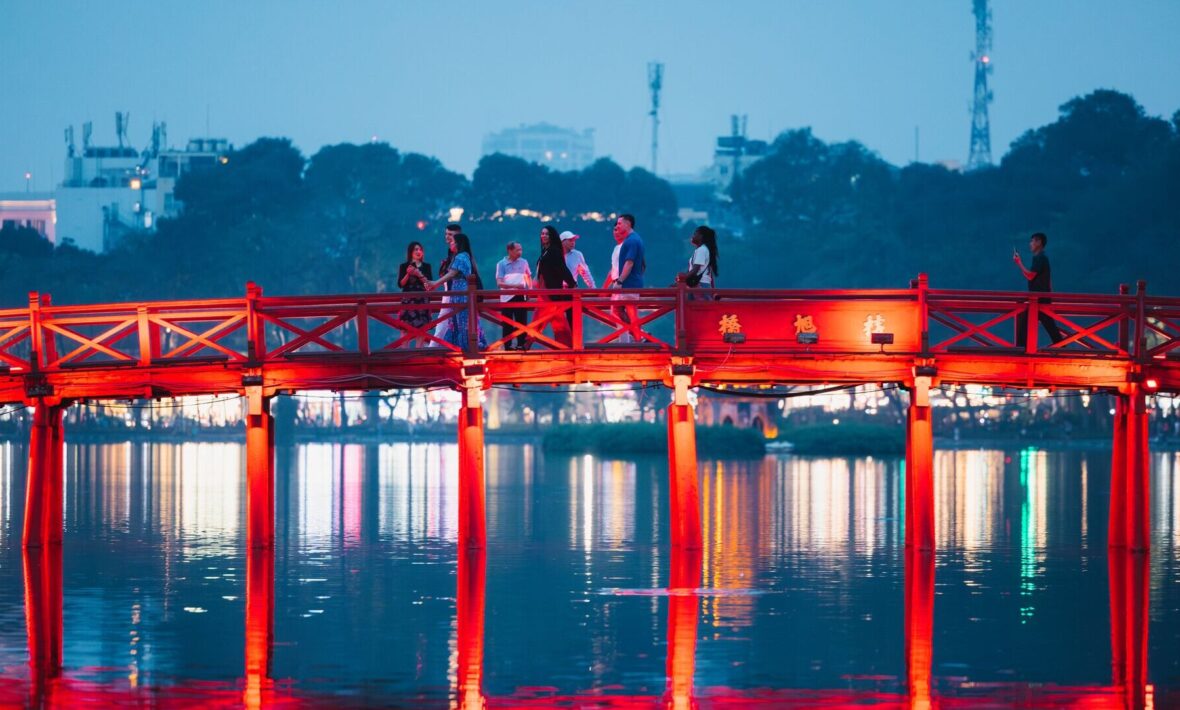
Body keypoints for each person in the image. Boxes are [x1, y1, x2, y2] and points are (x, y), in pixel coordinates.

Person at [426, 232, 486, 351]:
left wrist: (435, 283)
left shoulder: (461, 257)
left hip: (461, 292)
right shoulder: (465, 256)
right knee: (459, 320)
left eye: (452, 241)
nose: (450, 243)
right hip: (460, 291)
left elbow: (452, 273)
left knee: (461, 320)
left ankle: (464, 346)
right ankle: (463, 345)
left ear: (458, 243)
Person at [1012, 231, 1064, 347]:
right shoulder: (1041, 258)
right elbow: (1035, 277)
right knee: (1049, 327)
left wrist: (1019, 263)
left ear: (1039, 242)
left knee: (1026, 325)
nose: (1030, 244)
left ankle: (1022, 350)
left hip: (1039, 300)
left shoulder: (1040, 258)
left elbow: (1030, 275)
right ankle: (1061, 347)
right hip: (1042, 299)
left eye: (1032, 241)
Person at [531, 225, 577, 348]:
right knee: (554, 320)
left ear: (551, 236)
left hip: (550, 290)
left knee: (549, 319)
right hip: (543, 290)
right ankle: (565, 346)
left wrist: (572, 284)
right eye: (542, 233)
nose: (543, 236)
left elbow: (562, 269)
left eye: (546, 234)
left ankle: (527, 342)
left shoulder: (554, 251)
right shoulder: (545, 251)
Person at [606, 214, 645, 343]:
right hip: (632, 282)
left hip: (629, 283)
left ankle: (640, 338)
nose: (617, 226)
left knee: (629, 311)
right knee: (623, 310)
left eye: (619, 223)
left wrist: (620, 280)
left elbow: (629, 262)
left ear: (627, 224)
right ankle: (639, 337)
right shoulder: (633, 239)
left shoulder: (631, 241)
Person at [495, 241, 532, 350]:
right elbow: (499, 283)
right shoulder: (501, 264)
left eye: (521, 250)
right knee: (507, 322)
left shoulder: (524, 262)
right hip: (506, 297)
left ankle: (521, 345)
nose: (520, 252)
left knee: (522, 321)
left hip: (521, 295)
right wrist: (515, 286)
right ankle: (508, 345)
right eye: (517, 250)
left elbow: (528, 277)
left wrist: (529, 290)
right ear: (510, 251)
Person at [397, 241, 434, 347]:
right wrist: (408, 274)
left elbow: (429, 285)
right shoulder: (404, 266)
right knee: (405, 327)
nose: (419, 251)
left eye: (420, 249)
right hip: (408, 299)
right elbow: (401, 284)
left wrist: (419, 274)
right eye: (416, 249)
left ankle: (418, 351)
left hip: (422, 299)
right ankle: (404, 353)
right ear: (410, 252)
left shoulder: (426, 266)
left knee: (422, 328)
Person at [432, 224, 462, 343]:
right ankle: (433, 348)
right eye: (446, 234)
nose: (447, 236)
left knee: (452, 323)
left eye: (450, 234)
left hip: (457, 293)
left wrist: (435, 283)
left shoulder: (461, 254)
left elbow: (452, 274)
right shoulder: (451, 252)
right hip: (449, 292)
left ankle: (433, 349)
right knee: (443, 323)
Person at [676, 225, 719, 298]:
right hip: (701, 285)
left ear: (701, 236)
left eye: (695, 234)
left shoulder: (701, 250)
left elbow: (695, 270)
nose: (692, 236)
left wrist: (682, 280)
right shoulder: (703, 249)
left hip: (699, 285)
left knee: (696, 308)